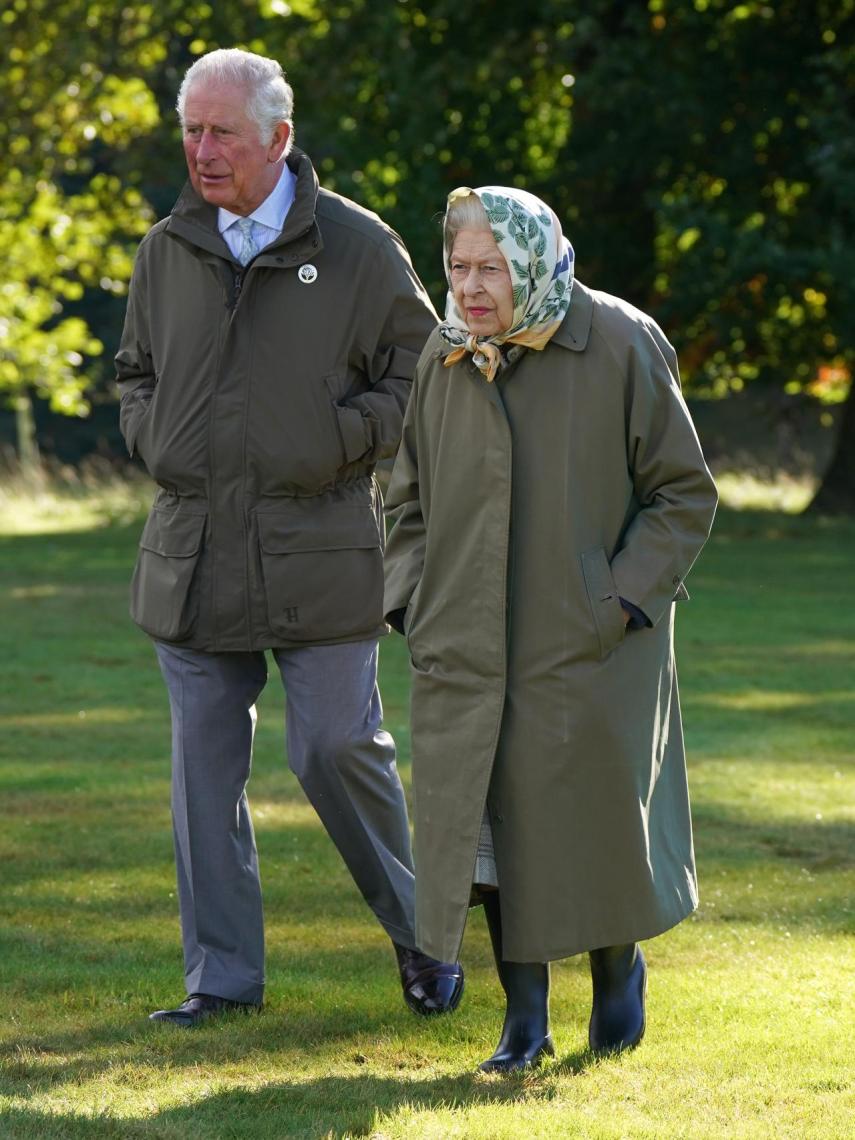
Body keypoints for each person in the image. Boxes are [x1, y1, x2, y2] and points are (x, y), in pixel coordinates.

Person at [115, 48, 463, 1027]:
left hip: (320, 544)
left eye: (221, 130)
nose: (201, 149)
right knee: (202, 775)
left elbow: (421, 377)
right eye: (190, 128)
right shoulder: (166, 247)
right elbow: (133, 373)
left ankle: (427, 936)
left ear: (279, 137)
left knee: (335, 745)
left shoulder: (357, 247)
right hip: (190, 553)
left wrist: (338, 441)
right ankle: (220, 981)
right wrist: (154, 437)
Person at [383, 186, 717, 1071]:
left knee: (594, 821)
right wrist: (411, 597)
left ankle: (617, 977)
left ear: (532, 256)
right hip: (462, 640)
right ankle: (522, 1023)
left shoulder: (618, 339)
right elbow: (405, 496)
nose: (472, 287)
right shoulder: (443, 353)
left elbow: (682, 494)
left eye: (491, 266)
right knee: (485, 832)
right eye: (458, 267)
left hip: (588, 641)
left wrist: (614, 603)